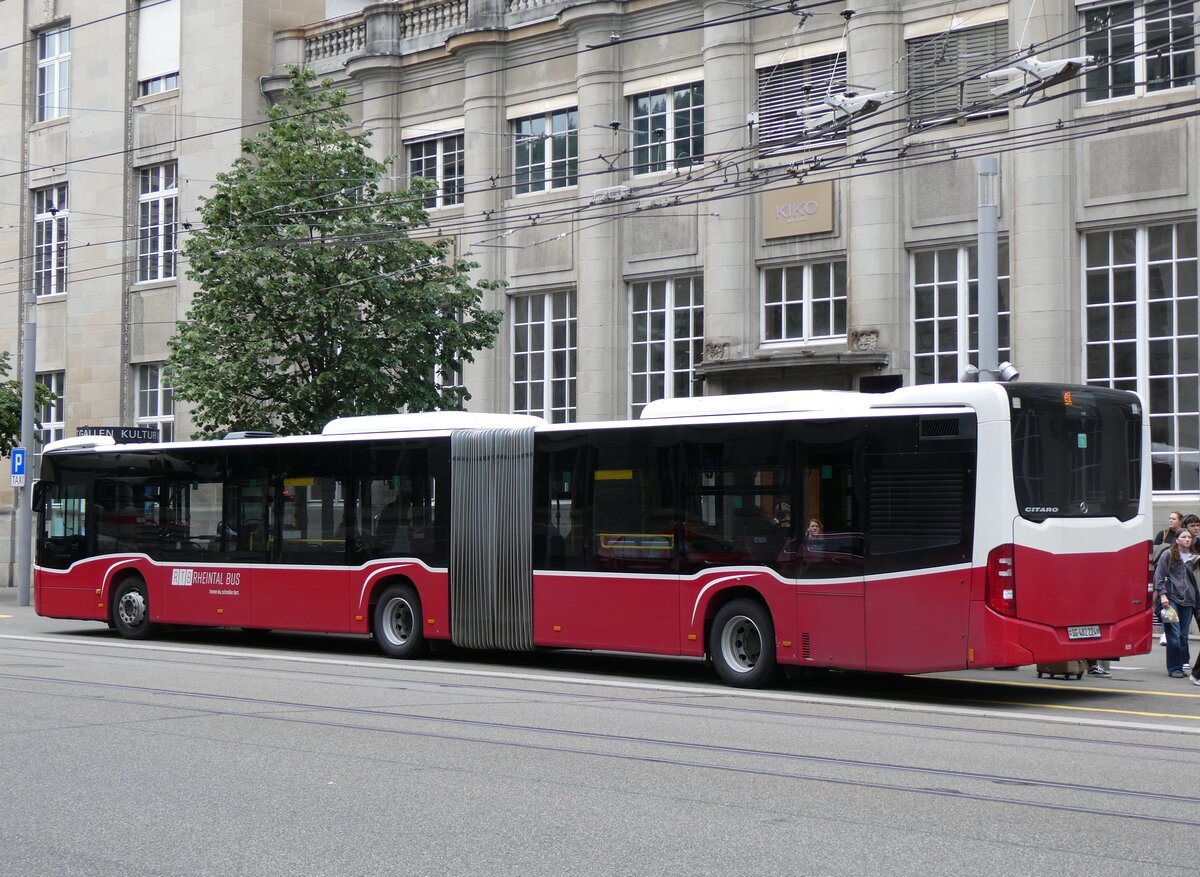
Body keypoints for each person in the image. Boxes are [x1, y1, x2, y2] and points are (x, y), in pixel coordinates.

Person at [1154, 527, 1199, 678]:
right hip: (1171, 599)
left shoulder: (1193, 557)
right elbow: (1158, 576)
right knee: (1174, 633)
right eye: (1184, 537)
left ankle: (1180, 665)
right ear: (1177, 539)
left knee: (1183, 636)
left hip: (1189, 601)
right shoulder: (1168, 554)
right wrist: (1162, 595)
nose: (1187, 539)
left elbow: (1193, 580)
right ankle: (1174, 668)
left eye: (1189, 537)